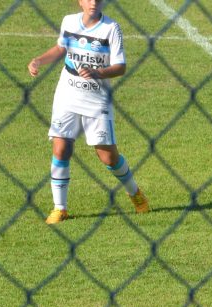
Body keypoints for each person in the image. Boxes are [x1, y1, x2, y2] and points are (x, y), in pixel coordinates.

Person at [27, 0, 149, 224]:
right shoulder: (69, 22)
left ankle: (135, 193)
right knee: (61, 147)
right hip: (67, 94)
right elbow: (61, 48)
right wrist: (38, 60)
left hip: (96, 98)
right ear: (80, 1)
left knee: (108, 157)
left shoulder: (111, 28)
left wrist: (97, 72)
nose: (93, 2)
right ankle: (59, 208)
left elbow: (120, 66)